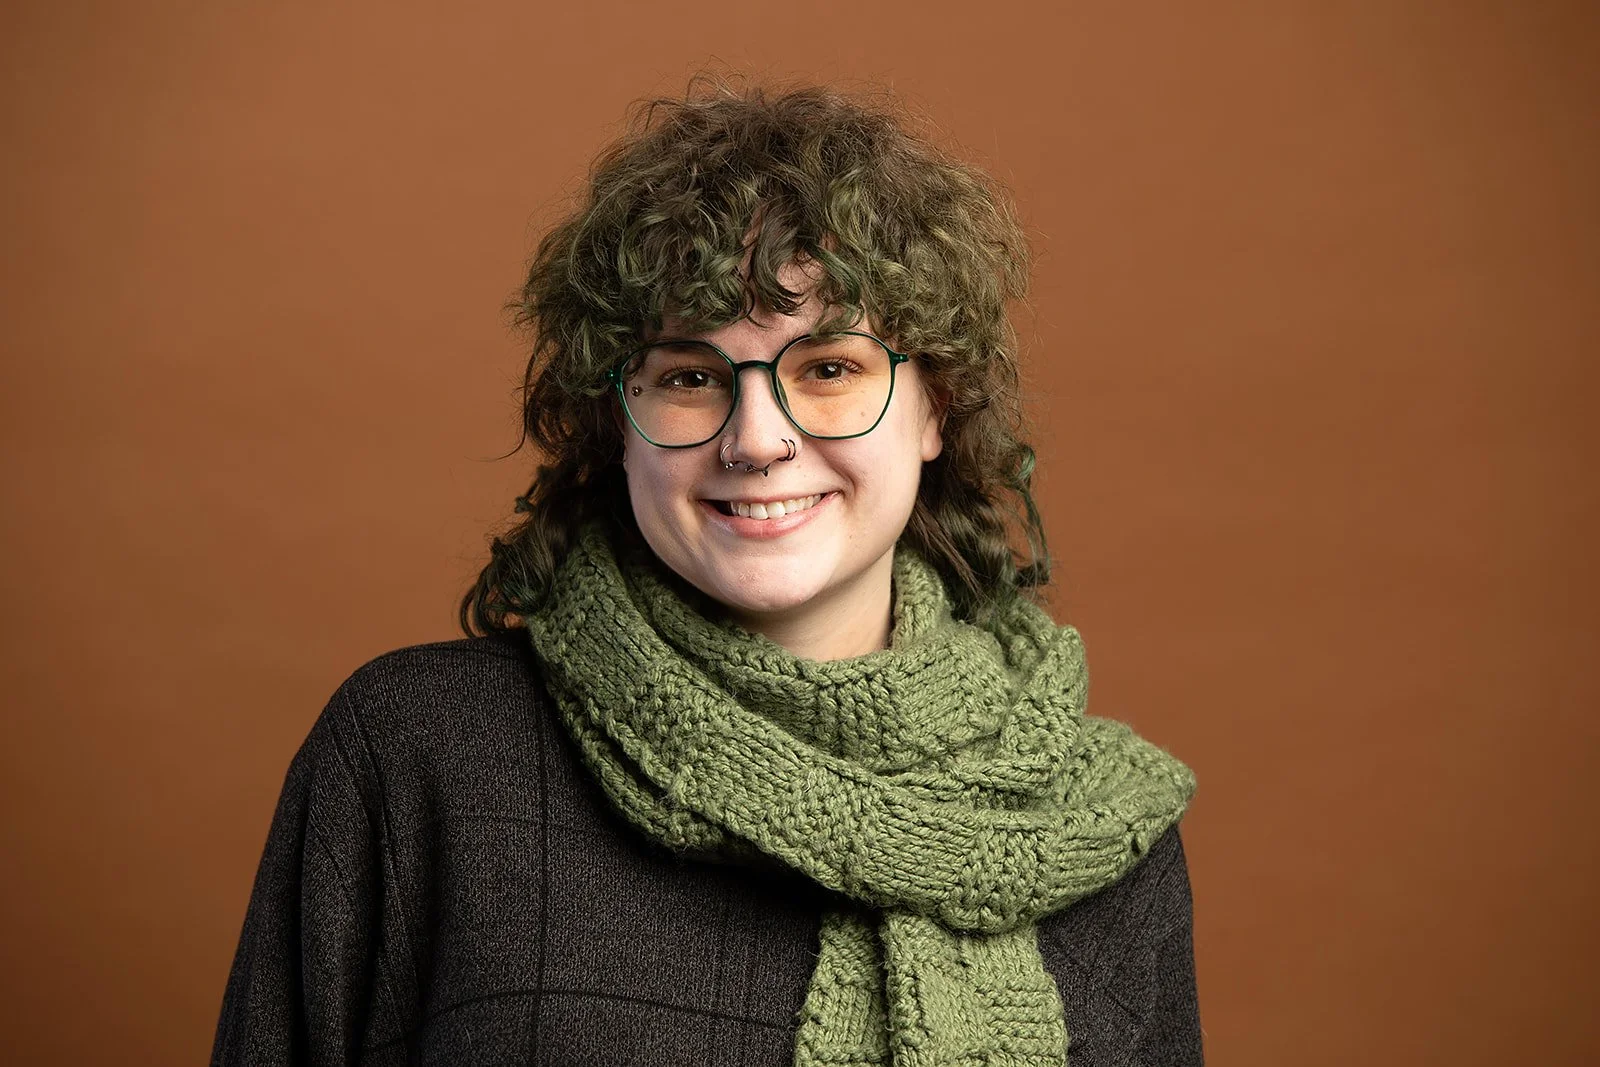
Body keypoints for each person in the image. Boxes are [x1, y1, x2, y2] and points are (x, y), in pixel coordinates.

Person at [211, 80, 1202, 1067]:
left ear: (933, 404)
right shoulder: (420, 756)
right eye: (689, 376)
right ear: (616, 417)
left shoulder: (1095, 828)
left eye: (827, 368)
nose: (757, 439)